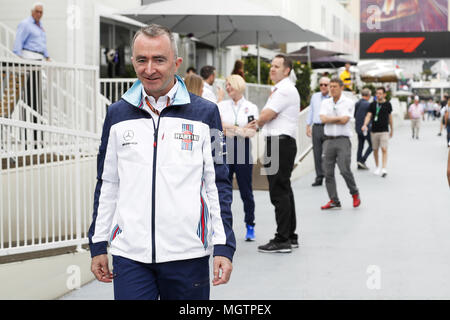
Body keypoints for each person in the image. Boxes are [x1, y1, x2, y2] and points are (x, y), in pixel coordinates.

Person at [88, 24, 235, 300]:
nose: (149, 69)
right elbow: (107, 183)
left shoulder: (206, 114)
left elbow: (217, 183)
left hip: (188, 255)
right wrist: (97, 243)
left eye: (159, 60)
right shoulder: (117, 115)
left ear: (177, 63)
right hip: (130, 256)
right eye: (142, 60)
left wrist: (223, 245)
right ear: (133, 61)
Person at [255, 54, 299, 253]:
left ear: (286, 70)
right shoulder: (283, 89)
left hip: (278, 145)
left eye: (277, 66)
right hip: (281, 143)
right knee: (285, 190)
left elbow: (265, 116)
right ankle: (290, 235)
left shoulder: (284, 90)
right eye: (271, 66)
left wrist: (252, 125)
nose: (272, 69)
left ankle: (282, 239)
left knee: (278, 192)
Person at [218, 75, 259, 241]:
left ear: (238, 86)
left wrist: (231, 129)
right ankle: (223, 228)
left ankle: (250, 226)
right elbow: (219, 128)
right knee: (223, 192)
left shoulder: (251, 107)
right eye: (226, 85)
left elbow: (251, 132)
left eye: (230, 85)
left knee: (246, 191)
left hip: (242, 151)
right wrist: (240, 129)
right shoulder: (221, 106)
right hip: (224, 150)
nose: (227, 88)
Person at [319, 78, 361, 210]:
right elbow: (323, 119)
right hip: (328, 140)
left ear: (341, 88)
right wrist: (336, 119)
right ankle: (334, 200)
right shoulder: (325, 102)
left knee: (344, 170)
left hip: (343, 140)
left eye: (335, 86)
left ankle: (354, 193)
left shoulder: (348, 102)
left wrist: (331, 119)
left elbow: (345, 120)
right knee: (328, 172)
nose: (331, 89)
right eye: (330, 86)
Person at [362, 87, 393, 178]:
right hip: (374, 130)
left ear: (384, 95)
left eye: (380, 93)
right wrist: (365, 124)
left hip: (384, 130)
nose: (378, 95)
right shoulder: (372, 104)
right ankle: (377, 166)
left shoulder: (388, 104)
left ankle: (384, 168)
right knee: (375, 149)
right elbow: (368, 115)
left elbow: (390, 118)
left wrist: (392, 129)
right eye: (377, 93)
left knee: (384, 149)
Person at [306, 77, 330, 186]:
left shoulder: (332, 98)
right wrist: (308, 126)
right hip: (316, 128)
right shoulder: (315, 97)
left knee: (327, 154)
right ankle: (319, 177)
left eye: (326, 84)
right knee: (317, 154)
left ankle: (328, 175)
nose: (323, 87)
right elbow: (311, 110)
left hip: (328, 127)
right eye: (321, 85)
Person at [354, 88, 373, 170]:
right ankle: (362, 160)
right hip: (366, 128)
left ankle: (359, 162)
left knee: (360, 145)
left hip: (358, 127)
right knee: (373, 145)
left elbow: (355, 115)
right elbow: (370, 117)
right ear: (368, 96)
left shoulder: (357, 103)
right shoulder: (369, 105)